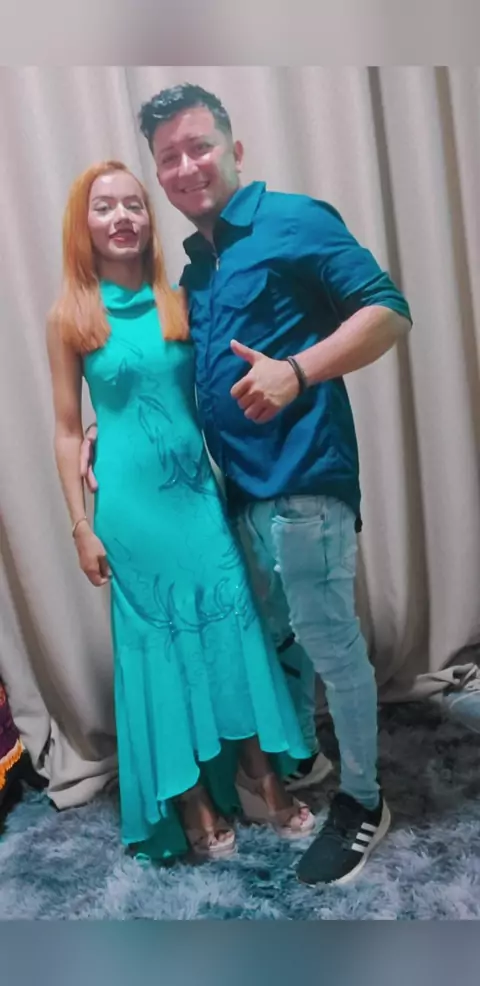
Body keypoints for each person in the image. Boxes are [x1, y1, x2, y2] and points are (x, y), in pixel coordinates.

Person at [81, 83, 412, 886]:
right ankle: (307, 763)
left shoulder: (295, 220)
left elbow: (389, 311)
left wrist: (298, 371)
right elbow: (181, 376)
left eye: (199, 146)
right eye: (170, 157)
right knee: (279, 635)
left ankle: (364, 801)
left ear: (234, 150)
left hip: (304, 482)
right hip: (235, 495)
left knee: (330, 642)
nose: (186, 166)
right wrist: (111, 427)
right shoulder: (198, 267)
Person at [46, 160, 316, 864]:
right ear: (84, 225)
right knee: (161, 651)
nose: (122, 217)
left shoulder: (180, 301)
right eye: (105, 207)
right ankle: (192, 798)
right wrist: (79, 525)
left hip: (196, 496)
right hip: (130, 512)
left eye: (134, 204)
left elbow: (211, 389)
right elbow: (68, 429)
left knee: (233, 632)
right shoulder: (70, 317)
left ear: (149, 218)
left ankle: (259, 779)